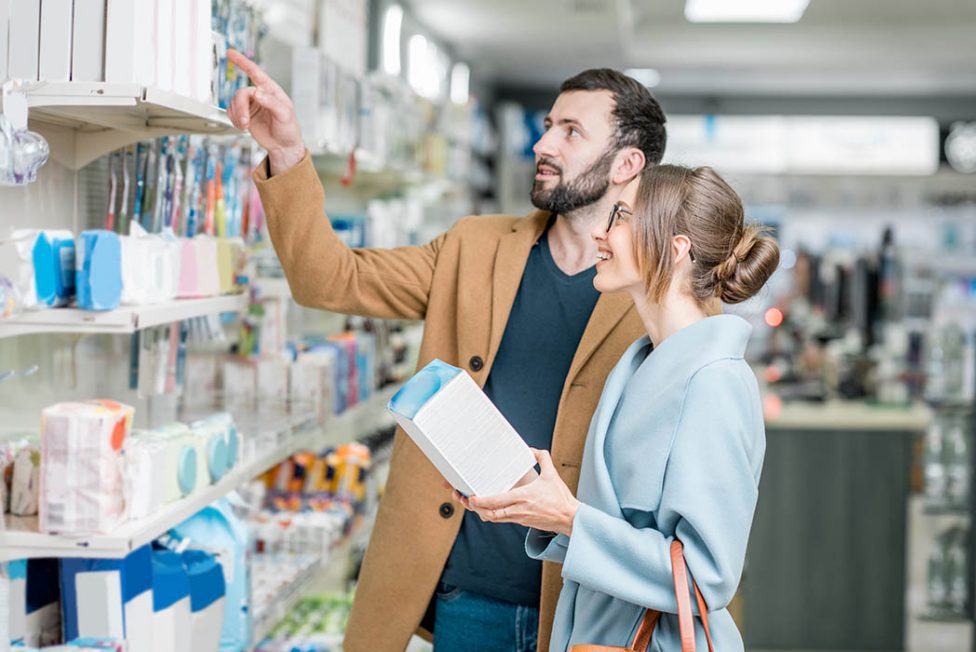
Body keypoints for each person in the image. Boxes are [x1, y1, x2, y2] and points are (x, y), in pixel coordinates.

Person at [224, 49, 667, 652]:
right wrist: (287, 154)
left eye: (571, 132)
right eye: (546, 128)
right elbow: (328, 279)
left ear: (627, 163)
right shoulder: (474, 246)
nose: (544, 146)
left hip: (585, 606)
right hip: (467, 594)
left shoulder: (661, 286)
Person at [460, 164, 780, 651]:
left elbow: (706, 575)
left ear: (675, 249)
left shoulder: (716, 383)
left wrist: (571, 518)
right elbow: (623, 528)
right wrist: (539, 506)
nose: (599, 233)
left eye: (621, 217)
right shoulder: (638, 365)